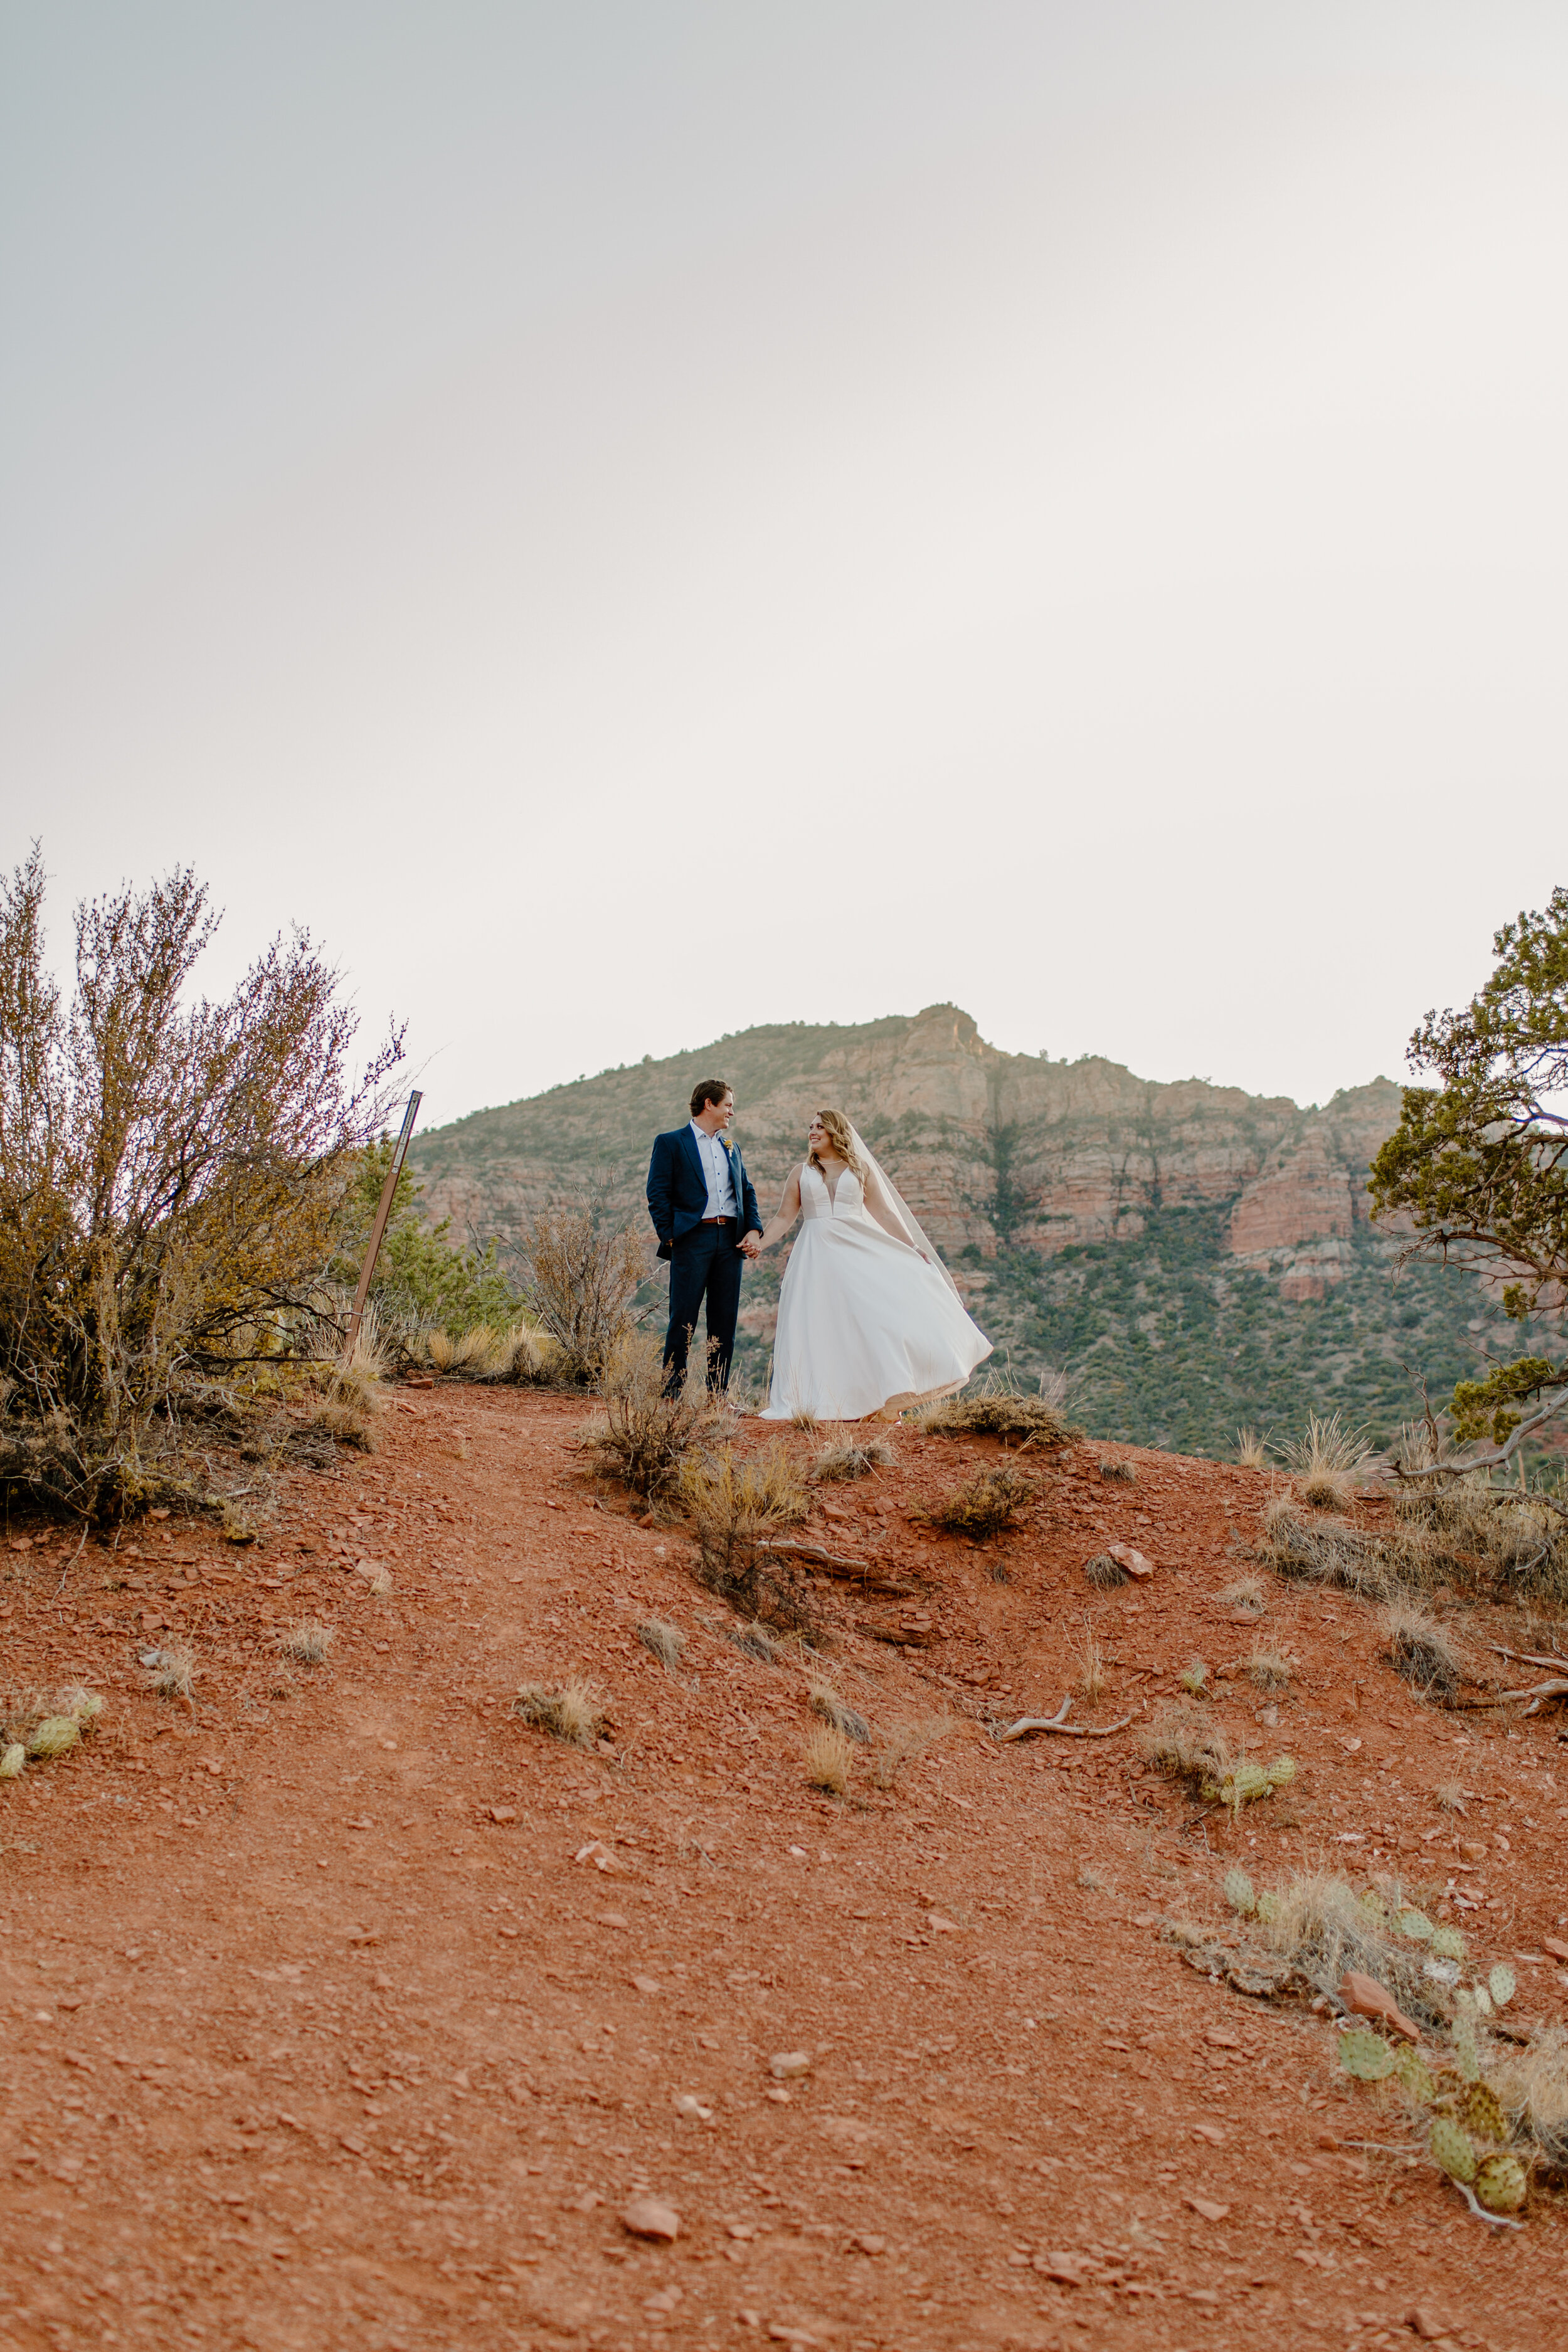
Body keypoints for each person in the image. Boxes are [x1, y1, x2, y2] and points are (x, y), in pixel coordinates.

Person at [755, 1108, 992, 1422]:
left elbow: (885, 1214)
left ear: (836, 1132)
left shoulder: (860, 1169)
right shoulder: (800, 1172)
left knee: (869, 1323)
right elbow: (784, 1217)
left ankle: (878, 1398)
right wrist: (759, 1243)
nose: (812, 1132)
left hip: (858, 1254)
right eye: (810, 1127)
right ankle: (818, 1400)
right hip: (815, 1257)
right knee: (818, 1325)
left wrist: (913, 1248)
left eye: (820, 1127)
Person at [645, 1079, 763, 1396]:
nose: (732, 1112)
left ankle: (717, 1397)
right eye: (728, 1105)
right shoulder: (671, 1142)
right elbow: (657, 1194)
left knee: (724, 1321)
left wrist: (753, 1229)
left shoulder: (732, 1147)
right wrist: (671, 1237)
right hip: (691, 1239)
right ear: (709, 1104)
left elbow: (746, 1191)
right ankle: (671, 1394)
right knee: (683, 1317)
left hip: (730, 1241)